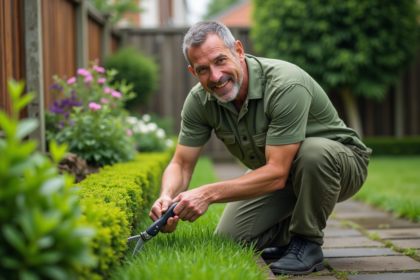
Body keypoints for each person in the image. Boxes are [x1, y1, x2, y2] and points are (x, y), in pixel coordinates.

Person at [148, 21, 372, 275]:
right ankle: (289, 238)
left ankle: (307, 242)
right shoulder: (199, 101)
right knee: (229, 241)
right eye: (203, 69)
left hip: (341, 166)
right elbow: (181, 164)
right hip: (283, 174)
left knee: (312, 153)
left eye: (220, 60)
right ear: (193, 72)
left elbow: (277, 173)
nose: (215, 76)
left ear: (239, 51)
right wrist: (166, 196)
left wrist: (207, 194)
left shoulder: (285, 84)